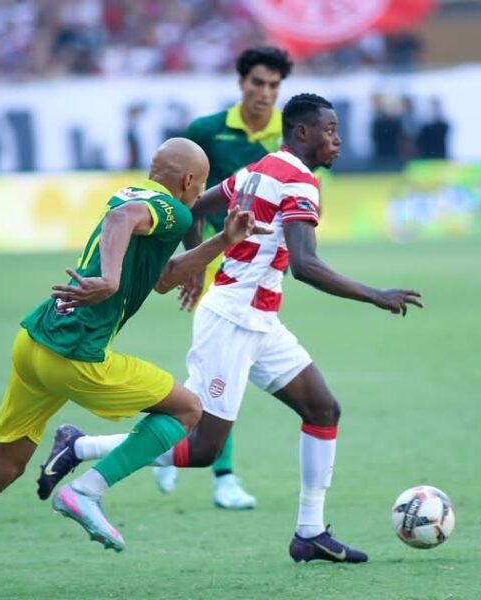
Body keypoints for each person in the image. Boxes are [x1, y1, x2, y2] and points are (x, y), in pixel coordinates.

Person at [35, 94, 423, 564]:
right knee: (202, 448)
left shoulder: (260, 169)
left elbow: (195, 208)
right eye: (329, 131)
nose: (337, 140)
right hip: (232, 321)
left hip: (260, 321)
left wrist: (196, 263)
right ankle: (80, 449)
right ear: (302, 132)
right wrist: (375, 294)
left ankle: (310, 533)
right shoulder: (298, 181)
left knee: (322, 409)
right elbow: (305, 265)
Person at [0, 137, 266, 595]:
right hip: (74, 355)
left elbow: (163, 278)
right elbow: (121, 221)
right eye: (200, 186)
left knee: (2, 467)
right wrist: (110, 278)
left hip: (33, 342)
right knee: (187, 409)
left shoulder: (134, 194)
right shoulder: (173, 210)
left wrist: (223, 241)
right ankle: (86, 492)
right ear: (189, 181)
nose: (197, 193)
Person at [162, 45, 294, 508]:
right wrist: (194, 262)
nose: (265, 92)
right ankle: (223, 476)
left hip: (264, 267)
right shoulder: (207, 131)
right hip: (223, 263)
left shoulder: (292, 134)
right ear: (241, 83)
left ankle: (167, 440)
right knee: (224, 371)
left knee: (216, 370)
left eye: (274, 85)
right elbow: (188, 200)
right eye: (258, 82)